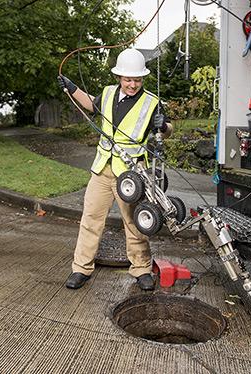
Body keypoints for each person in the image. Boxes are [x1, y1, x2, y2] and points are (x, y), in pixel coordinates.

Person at [58, 48, 173, 291]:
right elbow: (91, 105)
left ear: (143, 78)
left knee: (134, 222)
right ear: (119, 77)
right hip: (102, 169)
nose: (133, 84)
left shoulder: (152, 102)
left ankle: (141, 269)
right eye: (128, 79)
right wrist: (71, 87)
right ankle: (81, 268)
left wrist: (165, 126)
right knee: (90, 218)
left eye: (138, 79)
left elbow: (166, 130)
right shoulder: (108, 93)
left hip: (131, 174)